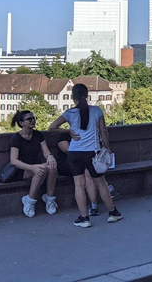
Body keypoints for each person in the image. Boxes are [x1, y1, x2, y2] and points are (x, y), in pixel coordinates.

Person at [49, 83, 121, 228]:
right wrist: (107, 148)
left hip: (74, 153)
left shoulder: (69, 113)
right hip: (92, 153)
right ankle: (112, 213)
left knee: (79, 185)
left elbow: (51, 127)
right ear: (87, 95)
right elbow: (104, 132)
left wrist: (69, 131)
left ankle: (84, 218)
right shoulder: (96, 111)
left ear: (73, 97)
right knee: (101, 184)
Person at [8, 110, 58, 218]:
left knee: (52, 167)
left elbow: (46, 151)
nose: (33, 121)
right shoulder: (16, 138)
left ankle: (49, 198)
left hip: (38, 166)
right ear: (22, 123)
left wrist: (50, 156)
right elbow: (14, 160)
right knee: (42, 169)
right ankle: (30, 200)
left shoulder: (38, 135)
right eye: (29, 119)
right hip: (22, 169)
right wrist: (32, 167)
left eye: (33, 118)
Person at [56, 131, 104, 216]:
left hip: (85, 162)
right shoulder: (64, 135)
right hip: (68, 163)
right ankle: (101, 193)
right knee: (87, 172)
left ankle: (94, 205)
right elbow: (69, 151)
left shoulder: (87, 135)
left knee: (88, 171)